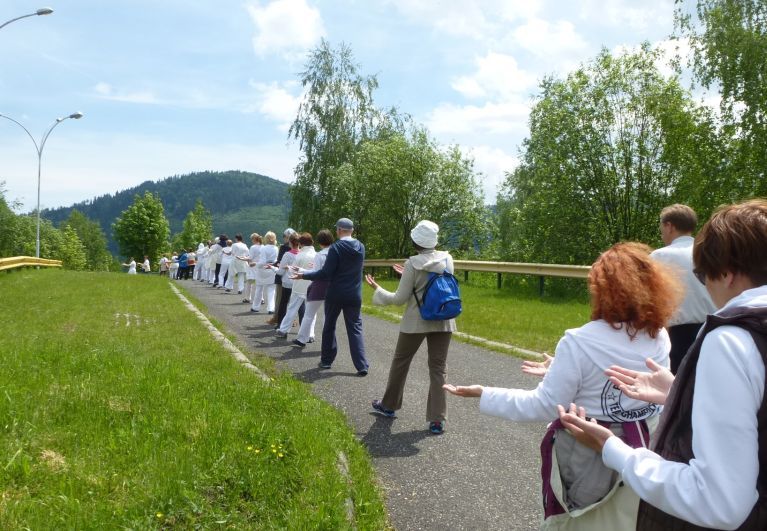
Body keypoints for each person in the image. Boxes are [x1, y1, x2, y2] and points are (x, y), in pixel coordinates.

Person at [559, 199, 767, 530]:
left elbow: (720, 502)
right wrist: (681, 393)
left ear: (727, 274)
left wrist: (612, 448)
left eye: (702, 275)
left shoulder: (731, 340)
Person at [444, 242, 681, 529]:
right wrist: (561, 367)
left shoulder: (579, 341)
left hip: (587, 447)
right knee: (628, 518)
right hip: (646, 444)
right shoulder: (658, 335)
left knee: (577, 520)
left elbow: (543, 405)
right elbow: (639, 382)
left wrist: (484, 393)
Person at [365, 220, 456, 435]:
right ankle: (437, 420)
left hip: (416, 321)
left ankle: (389, 406)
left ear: (415, 241)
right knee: (438, 368)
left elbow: (399, 299)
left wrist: (378, 288)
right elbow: (436, 283)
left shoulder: (412, 263)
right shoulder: (447, 258)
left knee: (401, 362)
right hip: (443, 318)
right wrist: (407, 275)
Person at [293, 218, 369, 376]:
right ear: (352, 230)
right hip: (354, 294)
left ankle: (327, 360)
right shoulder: (360, 246)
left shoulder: (336, 247)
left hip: (335, 293)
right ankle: (361, 365)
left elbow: (325, 273)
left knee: (329, 325)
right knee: (355, 328)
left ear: (339, 230)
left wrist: (303, 275)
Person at [650, 204, 716, 373]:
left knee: (677, 384)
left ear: (669, 226)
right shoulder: (710, 253)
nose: (661, 232)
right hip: (713, 329)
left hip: (677, 335)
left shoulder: (659, 256)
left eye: (661, 227)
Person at [293, 229, 334, 347]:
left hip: (319, 286)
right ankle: (328, 342)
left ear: (319, 241)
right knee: (328, 316)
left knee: (309, 314)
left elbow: (316, 273)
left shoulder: (319, 255)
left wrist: (302, 272)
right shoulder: (336, 253)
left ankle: (302, 339)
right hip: (333, 286)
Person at [276, 232, 315, 338]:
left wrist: (284, 268)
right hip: (311, 286)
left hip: (298, 285)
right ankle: (309, 334)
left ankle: (283, 329)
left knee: (291, 308)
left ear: (301, 243)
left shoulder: (300, 255)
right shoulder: (316, 255)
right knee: (310, 312)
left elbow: (293, 271)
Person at [268, 228, 295, 325]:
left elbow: (279, 261)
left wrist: (271, 265)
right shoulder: (298, 248)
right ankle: (290, 319)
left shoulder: (283, 247)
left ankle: (277, 318)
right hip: (294, 277)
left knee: (280, 299)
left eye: (284, 236)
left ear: (287, 237)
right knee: (291, 301)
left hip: (282, 276)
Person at [274, 232, 301, 331]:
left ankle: (280, 324)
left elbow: (280, 272)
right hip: (299, 282)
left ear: (290, 242)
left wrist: (275, 268)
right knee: (298, 305)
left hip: (287, 282)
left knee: (284, 303)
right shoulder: (302, 254)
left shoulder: (287, 254)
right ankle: (301, 326)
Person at [252, 231, 278, 313]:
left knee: (259, 289)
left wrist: (255, 264)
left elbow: (262, 261)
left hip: (262, 270)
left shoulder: (263, 248)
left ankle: (255, 307)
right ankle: (271, 308)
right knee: (271, 290)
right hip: (272, 269)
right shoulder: (276, 248)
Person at [241, 233, 261, 303]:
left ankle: (247, 298)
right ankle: (261, 299)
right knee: (259, 284)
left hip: (252, 266)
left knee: (249, 282)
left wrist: (243, 258)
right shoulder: (263, 246)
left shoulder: (253, 247)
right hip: (260, 266)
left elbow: (250, 257)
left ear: (253, 239)